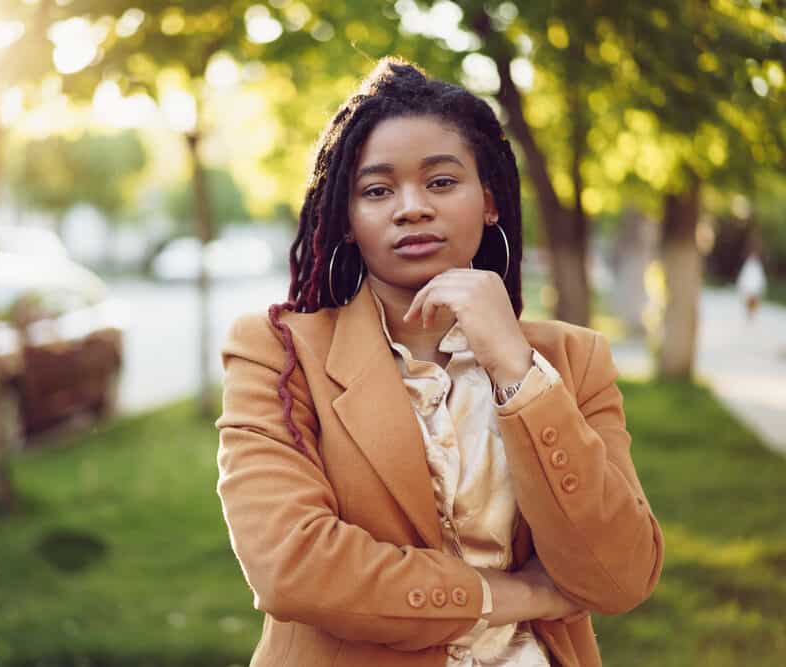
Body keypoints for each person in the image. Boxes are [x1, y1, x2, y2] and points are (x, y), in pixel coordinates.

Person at [215, 58, 663, 667]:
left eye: (442, 182)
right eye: (376, 190)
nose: (411, 208)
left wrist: (516, 372)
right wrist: (518, 593)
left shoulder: (573, 359)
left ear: (490, 202)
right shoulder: (279, 353)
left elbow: (620, 575)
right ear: (346, 220)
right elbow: (291, 567)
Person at [736, 249, 767, 322]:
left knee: (753, 303)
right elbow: (744, 276)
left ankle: (752, 315)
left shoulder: (758, 265)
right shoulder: (748, 265)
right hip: (749, 288)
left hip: (754, 288)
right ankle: (749, 315)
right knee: (748, 303)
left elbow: (760, 277)